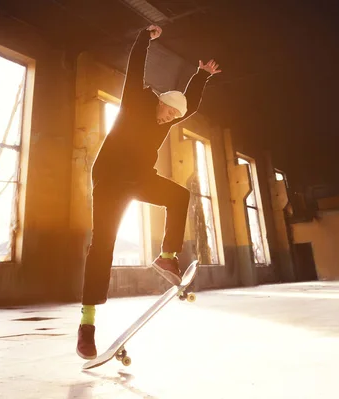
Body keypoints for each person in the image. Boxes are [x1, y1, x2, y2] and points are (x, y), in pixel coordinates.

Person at [77, 24, 222, 360]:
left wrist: (201, 75)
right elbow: (135, 67)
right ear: (159, 103)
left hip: (139, 178)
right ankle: (87, 324)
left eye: (174, 117)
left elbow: (193, 105)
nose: (167, 120)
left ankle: (167, 256)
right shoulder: (134, 102)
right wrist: (144, 38)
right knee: (103, 245)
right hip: (111, 180)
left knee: (179, 196)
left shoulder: (169, 118)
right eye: (168, 112)